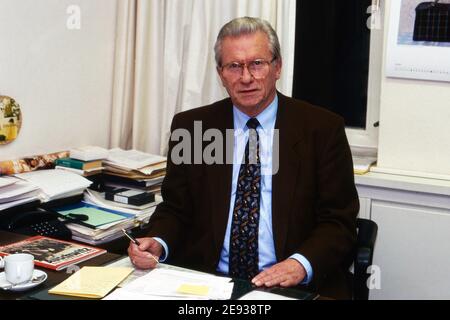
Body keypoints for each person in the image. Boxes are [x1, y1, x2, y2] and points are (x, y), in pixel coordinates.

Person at [128, 17, 359, 299]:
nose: (246, 77)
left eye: (257, 63)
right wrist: (158, 241)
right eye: (234, 66)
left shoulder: (321, 130)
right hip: (208, 282)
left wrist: (299, 265)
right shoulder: (194, 128)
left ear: (278, 67)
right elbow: (176, 208)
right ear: (220, 74)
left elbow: (339, 223)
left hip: (292, 286)